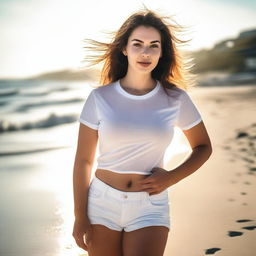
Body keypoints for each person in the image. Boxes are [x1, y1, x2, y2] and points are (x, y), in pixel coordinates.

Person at [72, 8, 212, 256]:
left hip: (149, 206)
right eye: (138, 44)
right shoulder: (99, 98)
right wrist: (80, 215)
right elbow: (83, 161)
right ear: (124, 49)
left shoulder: (175, 99)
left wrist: (172, 177)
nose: (145, 52)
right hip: (101, 204)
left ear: (161, 51)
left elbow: (203, 147)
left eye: (153, 46)